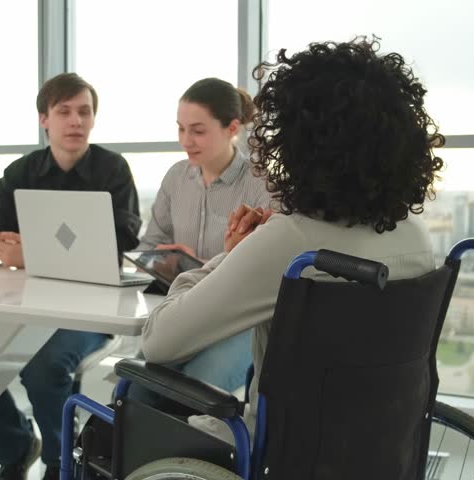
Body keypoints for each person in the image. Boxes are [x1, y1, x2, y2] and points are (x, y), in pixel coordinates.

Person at [140, 37, 445, 440]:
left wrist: (234, 255)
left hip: (275, 449)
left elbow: (159, 341)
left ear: (300, 144)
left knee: (131, 400)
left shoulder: (292, 243)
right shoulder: (416, 236)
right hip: (378, 443)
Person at [0, 72, 141, 480]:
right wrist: (6, 249)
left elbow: (113, 247)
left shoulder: (112, 170)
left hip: (91, 310)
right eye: (64, 111)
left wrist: (24, 253)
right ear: (43, 119)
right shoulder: (22, 171)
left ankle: (62, 461)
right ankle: (15, 446)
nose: (76, 121)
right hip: (28, 304)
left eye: (84, 112)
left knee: (44, 367)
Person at [134, 77, 271, 398]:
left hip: (240, 320)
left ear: (231, 128)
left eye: (197, 131)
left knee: (192, 389)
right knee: (137, 389)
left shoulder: (260, 183)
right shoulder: (176, 178)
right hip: (186, 307)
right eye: (181, 129)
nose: (186, 140)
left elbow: (264, 270)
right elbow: (148, 246)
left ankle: (181, 449)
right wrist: (163, 260)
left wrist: (203, 264)